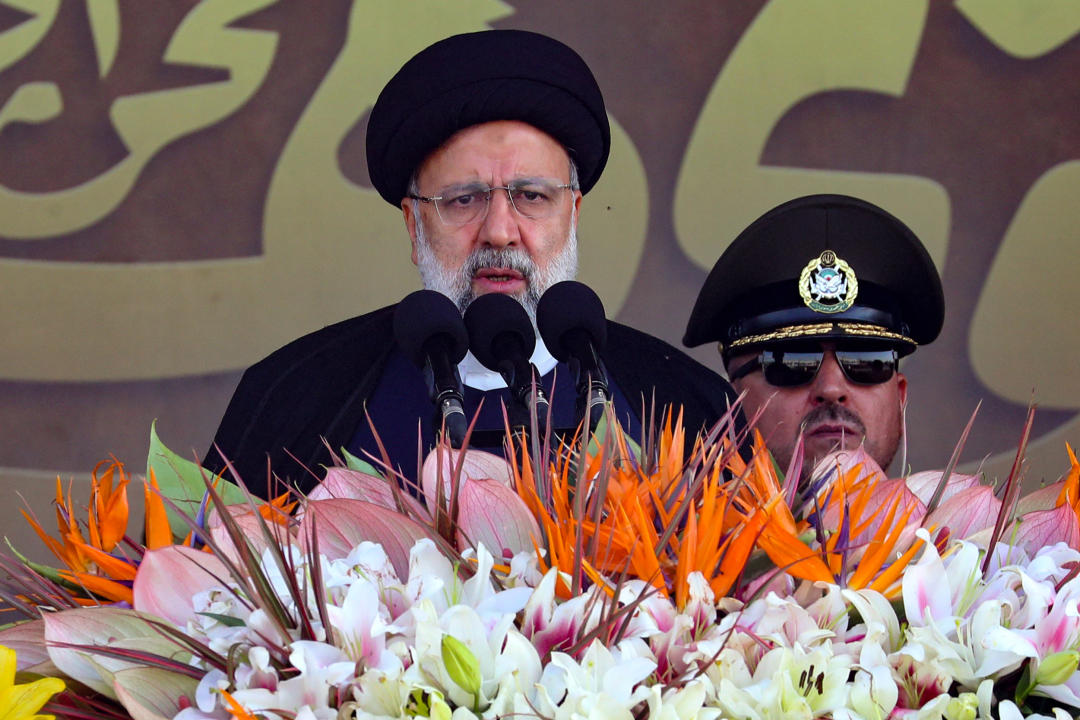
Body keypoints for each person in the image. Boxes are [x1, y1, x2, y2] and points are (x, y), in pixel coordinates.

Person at [205, 30, 739, 495]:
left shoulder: (684, 405)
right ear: (414, 226)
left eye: (531, 195)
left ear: (573, 216)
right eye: (464, 199)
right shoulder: (296, 397)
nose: (500, 231)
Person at [683, 194, 944, 483]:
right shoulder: (659, 528)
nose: (831, 389)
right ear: (730, 405)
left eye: (868, 361)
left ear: (900, 400)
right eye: (791, 362)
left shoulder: (958, 531)